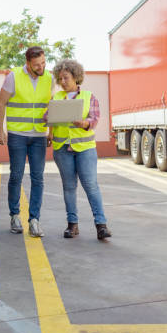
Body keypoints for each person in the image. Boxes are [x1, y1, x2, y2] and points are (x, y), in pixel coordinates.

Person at [48, 59, 112, 240]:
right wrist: (50, 126)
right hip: (62, 148)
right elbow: (48, 117)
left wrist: (83, 123)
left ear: (76, 77)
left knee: (91, 186)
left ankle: (101, 225)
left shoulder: (88, 96)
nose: (62, 82)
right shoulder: (56, 98)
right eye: (60, 78)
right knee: (69, 187)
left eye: (66, 78)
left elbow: (94, 119)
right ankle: (72, 226)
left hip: (85, 149)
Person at [0, 46, 53, 237]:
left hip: (38, 136)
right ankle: (14, 216)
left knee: (38, 178)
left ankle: (34, 220)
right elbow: (1, 103)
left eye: (43, 62)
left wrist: (51, 131)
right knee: (16, 176)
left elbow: (51, 106)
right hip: (18, 135)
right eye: (37, 64)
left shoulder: (49, 78)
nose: (41, 67)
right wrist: (0, 130)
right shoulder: (14, 77)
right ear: (28, 63)